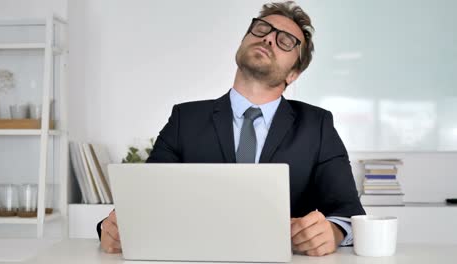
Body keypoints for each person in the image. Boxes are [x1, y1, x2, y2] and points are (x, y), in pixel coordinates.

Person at [97, 1, 365, 257]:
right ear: (242, 42)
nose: (269, 38)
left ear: (293, 74)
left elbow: (349, 213)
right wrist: (111, 229)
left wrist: (333, 231)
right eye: (262, 29)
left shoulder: (316, 125)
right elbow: (144, 203)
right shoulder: (184, 119)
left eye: (285, 40)